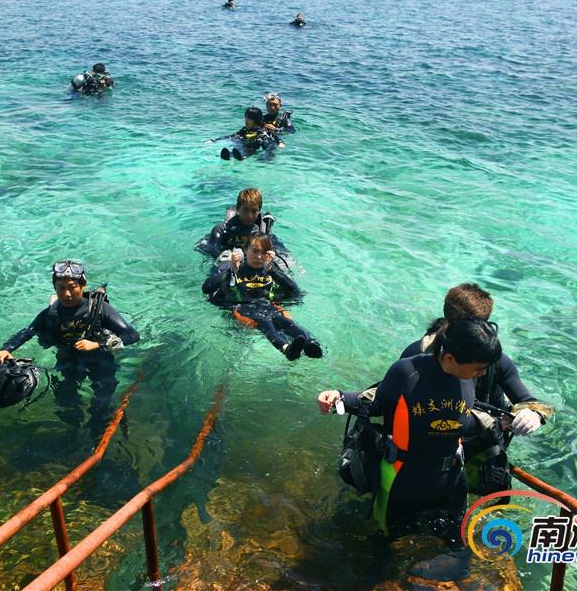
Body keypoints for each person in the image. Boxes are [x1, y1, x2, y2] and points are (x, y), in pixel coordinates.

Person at [318, 316, 502, 544]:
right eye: (479, 368)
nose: (483, 374)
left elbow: (456, 420)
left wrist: (497, 423)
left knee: (457, 545)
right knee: (385, 544)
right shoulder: (407, 372)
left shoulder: (467, 377)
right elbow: (375, 404)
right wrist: (339, 397)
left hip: (451, 481)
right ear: (451, 358)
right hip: (403, 479)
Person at [0, 260, 140, 434]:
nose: (67, 294)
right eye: (61, 288)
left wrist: (97, 344)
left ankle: (98, 432)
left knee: (102, 402)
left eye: (72, 287)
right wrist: (6, 349)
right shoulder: (52, 313)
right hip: (69, 359)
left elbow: (132, 335)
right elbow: (27, 332)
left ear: (83, 285)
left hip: (100, 359)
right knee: (66, 400)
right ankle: (72, 432)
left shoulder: (102, 310)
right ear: (55, 288)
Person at [399, 282, 544, 437]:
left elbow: (533, 404)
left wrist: (535, 415)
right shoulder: (416, 356)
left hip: (486, 433)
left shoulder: (496, 362)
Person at [203, 233, 321, 360]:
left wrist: (271, 270)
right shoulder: (236, 269)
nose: (259, 256)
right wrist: (231, 270)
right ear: (245, 250)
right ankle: (286, 348)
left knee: (286, 322)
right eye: (255, 251)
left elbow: (295, 291)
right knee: (265, 323)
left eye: (264, 252)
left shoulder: (270, 270)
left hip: (268, 306)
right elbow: (206, 288)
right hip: (245, 308)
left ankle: (311, 344)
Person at [196, 187, 288, 260]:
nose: (250, 216)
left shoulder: (263, 234)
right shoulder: (221, 229)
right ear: (238, 207)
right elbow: (211, 249)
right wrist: (229, 258)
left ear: (259, 211)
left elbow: (283, 253)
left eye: (254, 211)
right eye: (246, 210)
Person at [205, 107, 285, 161]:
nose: (246, 120)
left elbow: (274, 137)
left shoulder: (262, 132)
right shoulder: (243, 130)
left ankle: (242, 157)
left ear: (256, 120)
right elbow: (231, 136)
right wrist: (214, 140)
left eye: (249, 119)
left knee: (250, 149)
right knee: (237, 146)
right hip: (242, 144)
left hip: (253, 147)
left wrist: (280, 143)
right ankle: (229, 155)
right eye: (246, 117)